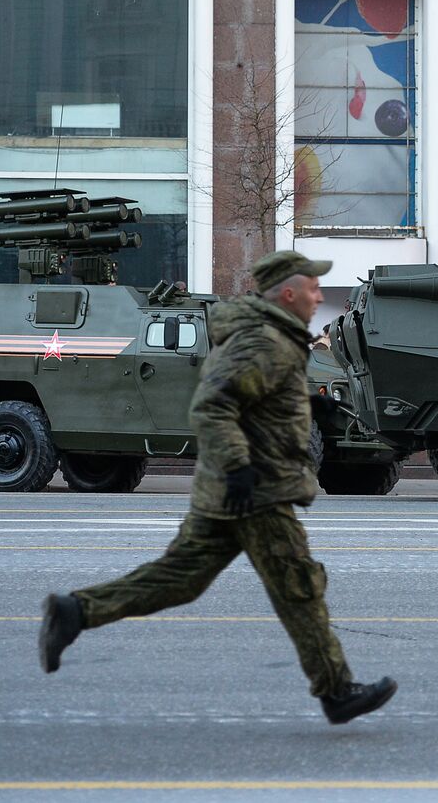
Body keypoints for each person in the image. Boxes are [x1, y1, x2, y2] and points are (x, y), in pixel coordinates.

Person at [38, 251, 397, 724]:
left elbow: (256, 400)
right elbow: (212, 406)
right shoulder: (263, 341)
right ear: (288, 294)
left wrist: (311, 406)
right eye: (313, 288)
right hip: (255, 491)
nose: (319, 297)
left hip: (234, 491)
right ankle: (335, 689)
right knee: (299, 588)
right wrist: (239, 469)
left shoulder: (275, 338)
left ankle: (75, 611)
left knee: (179, 580)